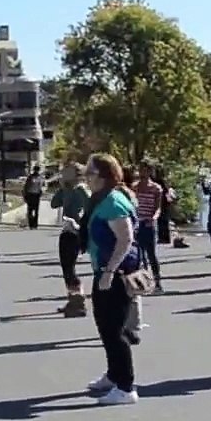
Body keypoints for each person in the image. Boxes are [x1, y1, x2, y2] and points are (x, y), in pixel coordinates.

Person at [83, 154, 139, 406]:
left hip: (115, 273)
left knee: (115, 330)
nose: (87, 178)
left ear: (104, 176)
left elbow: (125, 240)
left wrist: (108, 272)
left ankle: (126, 386)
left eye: (90, 173)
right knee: (104, 326)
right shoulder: (100, 199)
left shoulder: (114, 201)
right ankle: (113, 374)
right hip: (103, 271)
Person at [51, 162, 90, 318]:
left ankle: (78, 299)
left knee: (70, 266)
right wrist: (62, 188)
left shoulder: (80, 189)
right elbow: (54, 204)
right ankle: (72, 298)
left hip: (76, 231)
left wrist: (80, 222)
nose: (63, 173)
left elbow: (90, 205)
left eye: (66, 171)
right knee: (66, 266)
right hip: (66, 229)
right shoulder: (67, 189)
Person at [132, 163, 164, 294]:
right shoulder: (135, 187)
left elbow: (158, 207)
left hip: (149, 224)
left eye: (145, 171)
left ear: (150, 172)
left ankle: (158, 283)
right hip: (137, 224)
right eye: (141, 170)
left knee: (151, 254)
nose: (142, 173)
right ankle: (142, 282)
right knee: (138, 255)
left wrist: (154, 217)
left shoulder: (156, 188)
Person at [22, 164, 44, 230]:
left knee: (36, 211)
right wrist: (25, 195)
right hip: (30, 194)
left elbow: (41, 186)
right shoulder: (30, 177)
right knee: (30, 210)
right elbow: (26, 186)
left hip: (36, 195)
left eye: (38, 170)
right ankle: (31, 225)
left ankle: (35, 225)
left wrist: (41, 192)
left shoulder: (40, 177)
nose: (36, 171)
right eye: (36, 170)